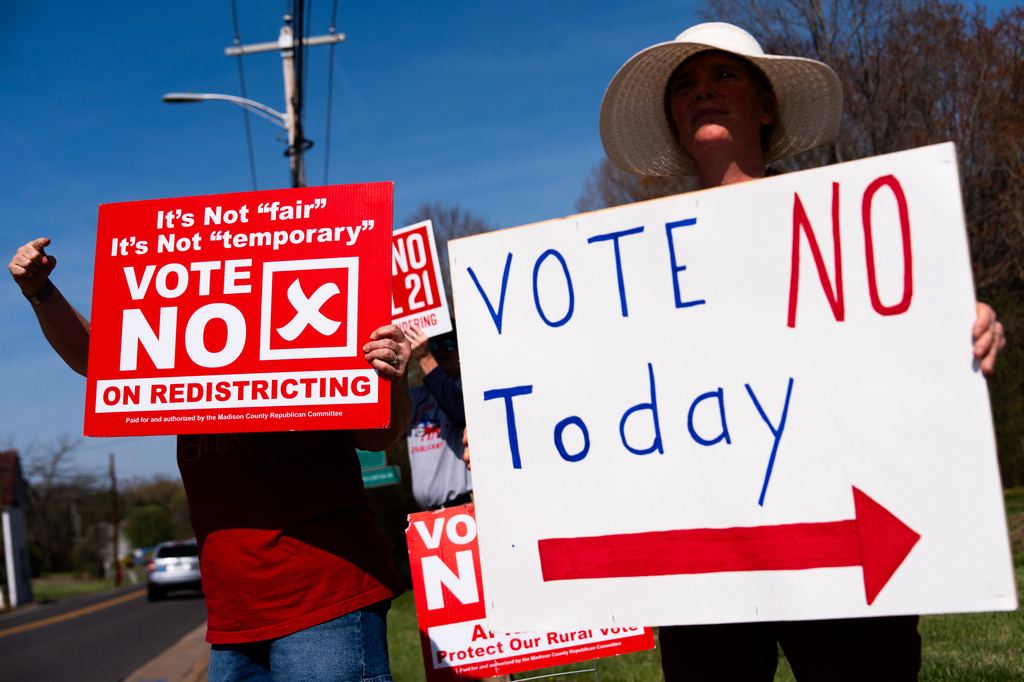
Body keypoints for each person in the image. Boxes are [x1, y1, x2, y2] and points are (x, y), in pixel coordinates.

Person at [595, 22, 1006, 680]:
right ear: (673, 122)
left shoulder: (848, 234)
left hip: (840, 535)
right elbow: (598, 394)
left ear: (766, 104)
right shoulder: (631, 274)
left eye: (722, 75)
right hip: (710, 558)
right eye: (685, 86)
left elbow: (903, 354)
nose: (703, 91)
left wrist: (968, 326)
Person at [9, 236, 412, 682]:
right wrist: (41, 292)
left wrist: (395, 379)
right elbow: (96, 357)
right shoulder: (184, 349)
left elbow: (379, 437)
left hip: (324, 595)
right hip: (232, 613)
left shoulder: (314, 338)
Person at [405, 322, 473, 510]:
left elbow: (461, 413)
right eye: (434, 344)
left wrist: (426, 358)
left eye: (450, 343)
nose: (441, 351)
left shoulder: (471, 386)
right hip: (428, 515)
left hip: (463, 506)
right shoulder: (417, 395)